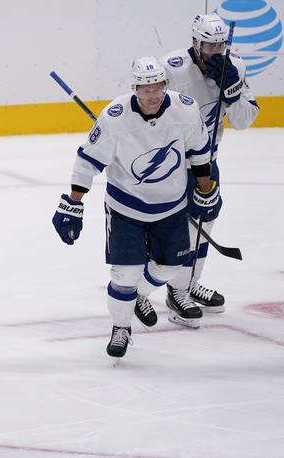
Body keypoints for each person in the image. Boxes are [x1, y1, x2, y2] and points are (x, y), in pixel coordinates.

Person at [52, 56, 220, 361]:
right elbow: (87, 161)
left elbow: (198, 151)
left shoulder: (184, 108)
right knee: (125, 275)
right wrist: (73, 203)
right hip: (125, 207)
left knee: (170, 268)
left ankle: (140, 295)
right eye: (145, 88)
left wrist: (205, 187)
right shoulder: (115, 116)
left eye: (158, 86)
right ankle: (121, 327)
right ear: (135, 89)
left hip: (172, 207)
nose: (153, 94)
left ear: (165, 85)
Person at [160, 14, 259, 317]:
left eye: (220, 44)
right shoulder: (172, 68)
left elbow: (243, 121)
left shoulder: (235, 68)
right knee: (179, 231)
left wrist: (232, 92)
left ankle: (190, 283)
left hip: (208, 163)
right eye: (208, 45)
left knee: (204, 225)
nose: (215, 51)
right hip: (173, 164)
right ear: (195, 42)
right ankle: (175, 290)